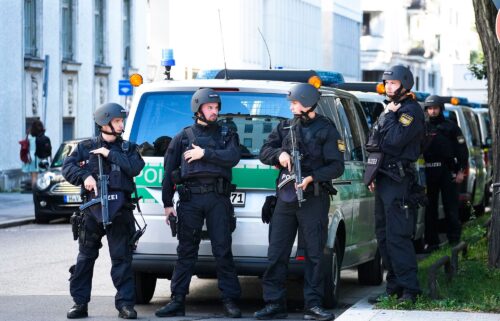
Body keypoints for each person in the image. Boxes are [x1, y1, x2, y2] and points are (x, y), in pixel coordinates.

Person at [254, 83, 344, 321]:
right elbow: (265, 150)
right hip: (285, 198)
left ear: (307, 102)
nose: (291, 107)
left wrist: (313, 177)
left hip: (313, 198)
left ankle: (313, 305)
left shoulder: (326, 129)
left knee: (314, 254)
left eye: (294, 102)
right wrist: (279, 155)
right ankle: (274, 303)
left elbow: (337, 166)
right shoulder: (285, 127)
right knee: (276, 253)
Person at [156, 88, 242, 318]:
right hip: (191, 199)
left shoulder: (226, 132)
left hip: (218, 198)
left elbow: (233, 157)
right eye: (210, 108)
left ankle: (230, 300)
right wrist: (167, 204)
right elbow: (169, 171)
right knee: (186, 251)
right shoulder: (183, 137)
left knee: (222, 250)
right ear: (198, 109)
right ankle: (177, 300)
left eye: (216, 108)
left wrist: (205, 154)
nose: (214, 112)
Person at [62, 103, 145, 319]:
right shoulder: (85, 147)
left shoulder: (128, 148)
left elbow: (135, 167)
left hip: (120, 212)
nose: (121, 125)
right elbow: (67, 166)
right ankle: (80, 303)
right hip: (92, 212)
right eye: (117, 121)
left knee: (122, 260)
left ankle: (125, 305)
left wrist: (109, 154)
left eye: (121, 121)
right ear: (104, 123)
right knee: (85, 258)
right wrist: (84, 176)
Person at [366, 65, 424, 304]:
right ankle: (394, 287)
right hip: (383, 178)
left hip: (399, 181)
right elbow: (373, 141)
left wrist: (388, 116)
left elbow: (392, 142)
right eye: (386, 83)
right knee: (383, 235)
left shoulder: (410, 110)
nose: (389, 87)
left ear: (405, 84)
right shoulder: (389, 109)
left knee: (398, 235)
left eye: (393, 83)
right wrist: (372, 174)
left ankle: (410, 290)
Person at [422, 95, 468, 252]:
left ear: (441, 109)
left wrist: (461, 170)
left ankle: (454, 240)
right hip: (428, 171)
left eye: (435, 108)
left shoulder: (451, 127)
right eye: (430, 108)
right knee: (430, 209)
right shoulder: (423, 127)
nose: (433, 111)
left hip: (447, 170)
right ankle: (431, 242)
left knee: (451, 207)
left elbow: (462, 150)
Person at [22, 119, 47, 187]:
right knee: (44, 175)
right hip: (42, 157)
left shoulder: (29, 136)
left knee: (34, 176)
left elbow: (27, 148)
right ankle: (42, 190)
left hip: (32, 157)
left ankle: (35, 193)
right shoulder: (44, 135)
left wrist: (28, 157)